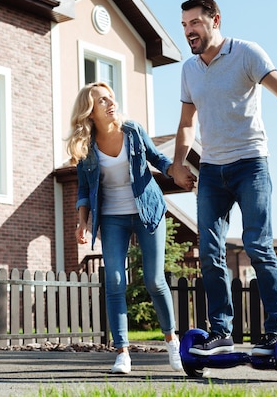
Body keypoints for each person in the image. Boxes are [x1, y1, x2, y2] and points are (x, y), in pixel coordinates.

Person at [169, 0, 277, 356]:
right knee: (209, 251)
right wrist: (179, 162)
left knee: (258, 246)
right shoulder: (189, 70)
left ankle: (276, 328)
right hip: (213, 170)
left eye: (195, 23)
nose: (188, 32)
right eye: (184, 26)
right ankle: (221, 330)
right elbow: (187, 123)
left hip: (251, 163)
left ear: (215, 20)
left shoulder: (247, 53)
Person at [67, 82, 193, 373]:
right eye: (102, 101)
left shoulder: (133, 131)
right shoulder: (86, 149)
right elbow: (84, 190)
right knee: (113, 281)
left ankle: (172, 342)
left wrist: (176, 172)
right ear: (90, 112)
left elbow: (157, 159)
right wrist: (82, 222)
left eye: (110, 97)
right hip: (112, 217)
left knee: (154, 280)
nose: (110, 103)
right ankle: (122, 352)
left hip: (148, 211)